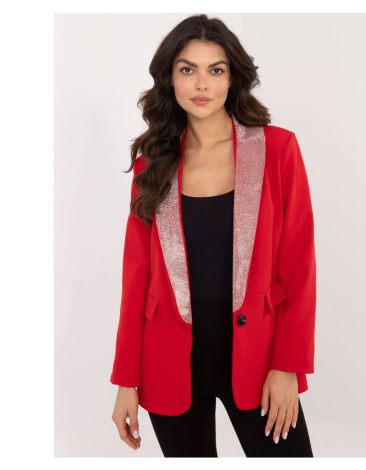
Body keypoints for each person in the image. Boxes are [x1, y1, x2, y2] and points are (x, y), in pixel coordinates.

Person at [110, 14, 316, 457]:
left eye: (215, 70)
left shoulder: (277, 150)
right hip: (168, 361)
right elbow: (136, 278)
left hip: (257, 357)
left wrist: (287, 367)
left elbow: (299, 267)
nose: (201, 84)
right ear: (170, 78)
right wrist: (126, 379)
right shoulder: (153, 163)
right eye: (188, 69)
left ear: (232, 77)